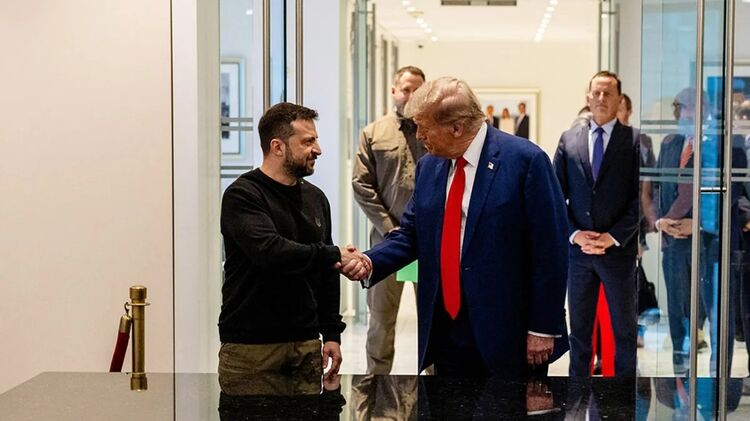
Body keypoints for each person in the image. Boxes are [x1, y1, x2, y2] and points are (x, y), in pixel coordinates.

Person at [343, 76, 570, 378]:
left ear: (456, 127)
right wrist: (369, 261)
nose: (419, 135)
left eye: (424, 127)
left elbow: (550, 250)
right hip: (446, 329)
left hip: (507, 331)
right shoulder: (429, 166)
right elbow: (411, 234)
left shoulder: (525, 161)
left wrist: (543, 327)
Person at [218, 102, 363, 395]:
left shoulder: (316, 198)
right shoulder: (243, 195)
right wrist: (334, 253)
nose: (318, 149)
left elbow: (326, 272)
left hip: (306, 345)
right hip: (252, 351)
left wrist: (331, 334)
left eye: (316, 140)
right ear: (278, 147)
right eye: (308, 141)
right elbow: (271, 252)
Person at [553, 71, 640, 377]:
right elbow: (555, 196)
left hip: (618, 252)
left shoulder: (635, 141)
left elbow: (641, 199)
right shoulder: (569, 139)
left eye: (608, 93)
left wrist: (612, 237)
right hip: (579, 255)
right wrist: (575, 234)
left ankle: (624, 397)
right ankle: (577, 396)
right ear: (588, 97)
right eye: (597, 93)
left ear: (619, 99)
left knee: (624, 332)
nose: (601, 98)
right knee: (579, 334)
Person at [352, 65, 426, 374]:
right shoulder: (373, 133)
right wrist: (390, 228)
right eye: (406, 89)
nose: (411, 95)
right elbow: (361, 185)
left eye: (418, 90)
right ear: (394, 91)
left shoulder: (435, 132)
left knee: (435, 323)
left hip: (429, 246)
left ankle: (440, 393)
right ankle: (375, 386)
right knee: (381, 322)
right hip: (387, 244)